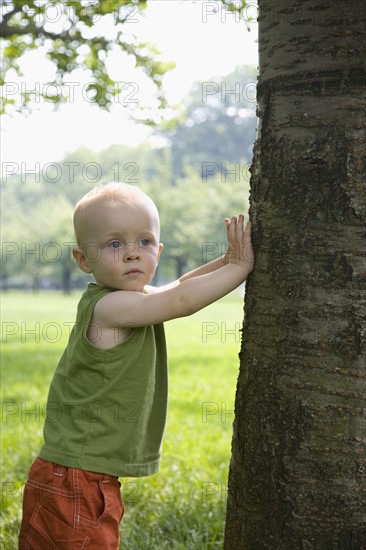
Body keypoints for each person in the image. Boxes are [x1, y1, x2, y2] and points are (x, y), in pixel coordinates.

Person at [19, 182, 254, 549]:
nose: (132, 253)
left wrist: (225, 261)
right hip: (76, 478)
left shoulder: (131, 298)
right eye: (115, 244)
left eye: (144, 242)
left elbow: (178, 284)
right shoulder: (111, 307)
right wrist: (240, 267)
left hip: (82, 473)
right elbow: (181, 300)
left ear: (158, 250)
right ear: (84, 260)